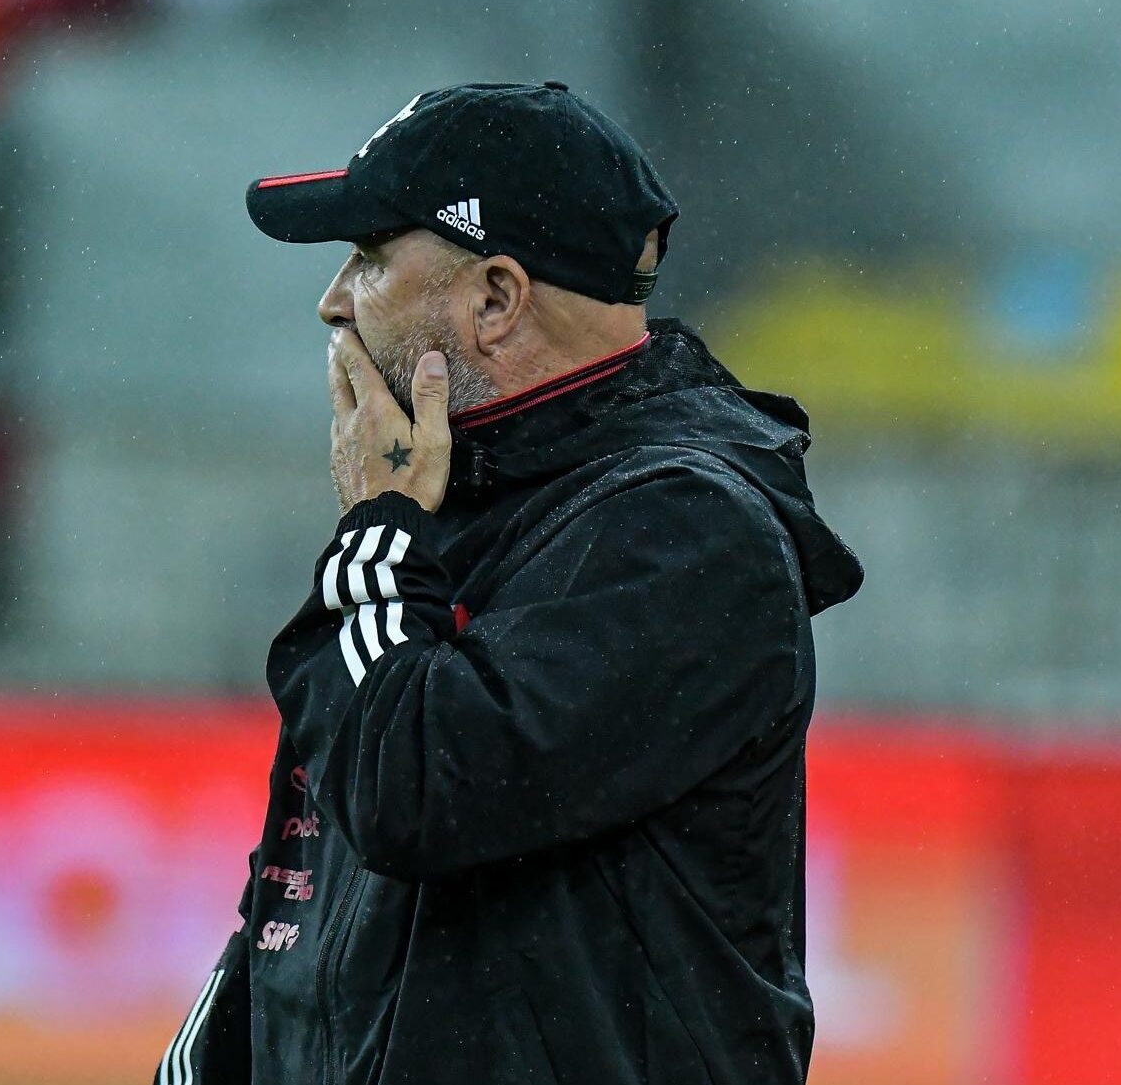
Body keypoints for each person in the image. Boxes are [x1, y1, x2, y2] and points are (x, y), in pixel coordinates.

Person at [157, 82, 864, 1085]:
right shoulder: (445, 503)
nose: (331, 300)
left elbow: (412, 788)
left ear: (495, 300)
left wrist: (373, 529)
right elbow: (310, 884)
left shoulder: (686, 531)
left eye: (366, 257)